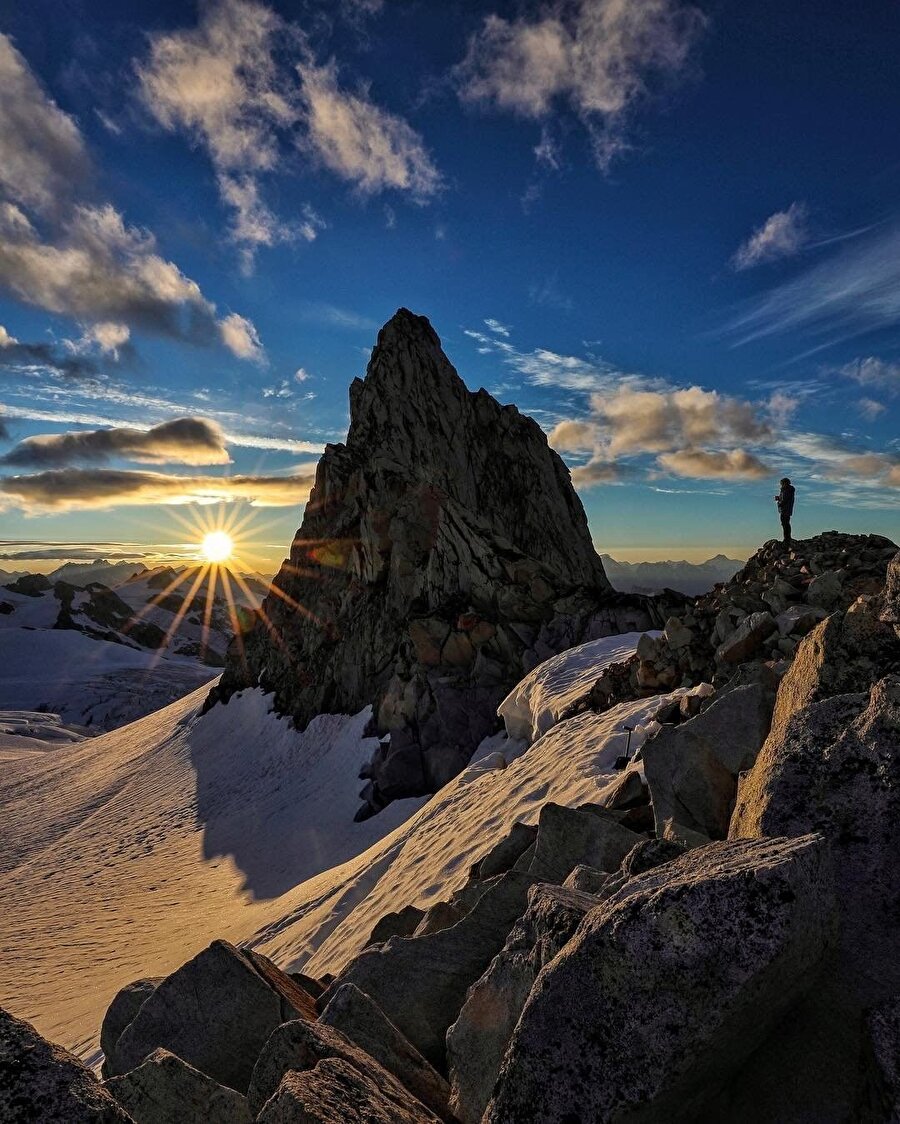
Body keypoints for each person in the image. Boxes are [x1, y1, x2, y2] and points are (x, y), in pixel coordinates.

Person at [775, 477, 795, 545]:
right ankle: (787, 538)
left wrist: (779, 503)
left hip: (785, 509)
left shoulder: (786, 490)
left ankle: (787, 538)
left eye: (781, 484)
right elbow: (784, 498)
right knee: (786, 523)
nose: (781, 485)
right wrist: (779, 498)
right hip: (787, 509)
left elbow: (784, 500)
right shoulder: (788, 490)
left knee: (785, 524)